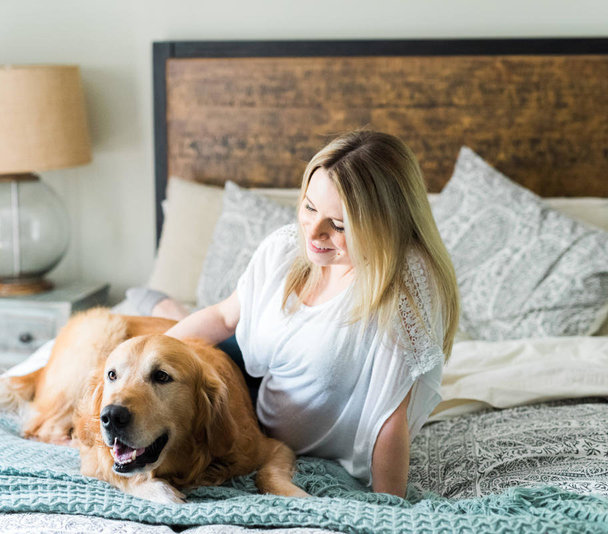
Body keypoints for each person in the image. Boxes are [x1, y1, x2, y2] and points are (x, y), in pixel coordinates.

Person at [162, 130, 459, 497]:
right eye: (309, 207)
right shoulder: (284, 249)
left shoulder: (402, 286)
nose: (314, 233)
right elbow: (224, 317)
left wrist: (389, 510)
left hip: (269, 414)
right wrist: (153, 350)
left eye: (338, 225)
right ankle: (163, 309)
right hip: (247, 383)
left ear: (385, 225)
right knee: (171, 366)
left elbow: (390, 415)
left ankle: (163, 309)